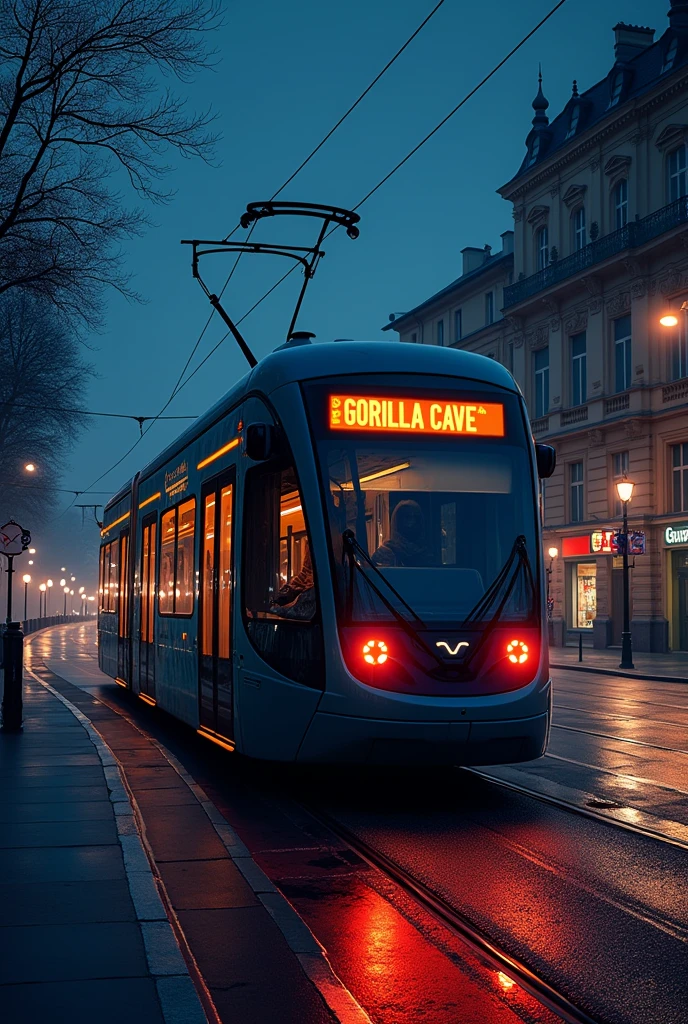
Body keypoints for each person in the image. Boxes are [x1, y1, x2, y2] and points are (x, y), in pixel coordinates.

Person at [372, 500, 432, 567]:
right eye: (407, 517)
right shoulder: (384, 554)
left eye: (416, 518)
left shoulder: (426, 554)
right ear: (398, 522)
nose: (412, 522)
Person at [271, 546, 315, 619]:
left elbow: (296, 612)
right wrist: (292, 587)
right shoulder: (308, 575)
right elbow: (305, 571)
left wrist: (273, 609)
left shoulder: (314, 592)